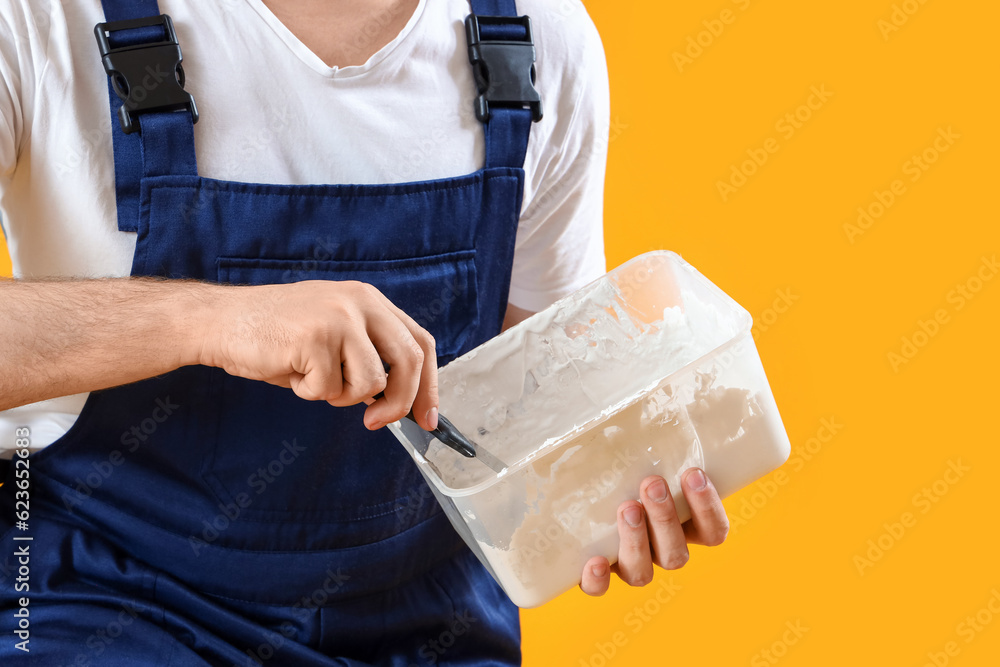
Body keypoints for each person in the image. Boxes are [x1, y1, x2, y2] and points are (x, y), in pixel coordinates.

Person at [0, 0, 730, 663]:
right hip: (101, 599)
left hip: (432, 622)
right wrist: (210, 317)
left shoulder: (538, 38)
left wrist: (611, 498)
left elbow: (537, 413)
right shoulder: (40, 19)